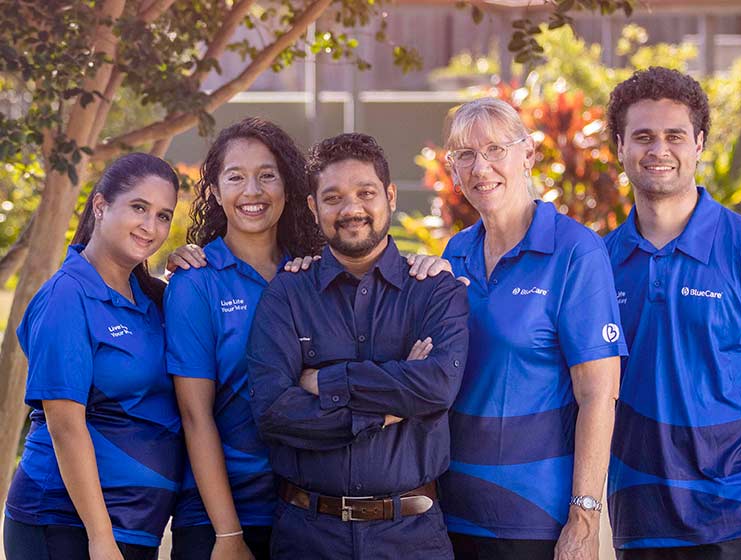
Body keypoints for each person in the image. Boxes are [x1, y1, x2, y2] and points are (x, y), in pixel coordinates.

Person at [604, 66, 741, 560]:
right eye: (643, 137)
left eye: (674, 136)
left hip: (739, 518)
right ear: (620, 147)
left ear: (699, 143)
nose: (659, 150)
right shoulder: (600, 263)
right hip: (640, 514)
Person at [246, 132, 469, 559]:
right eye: (333, 198)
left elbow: (437, 386)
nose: (351, 210)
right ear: (314, 208)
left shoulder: (435, 291)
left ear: (390, 196)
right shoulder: (287, 295)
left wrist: (326, 382)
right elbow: (273, 412)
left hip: (411, 540)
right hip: (308, 537)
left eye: (365, 193)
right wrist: (385, 412)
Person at [437, 97, 626, 560]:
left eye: (495, 149)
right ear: (454, 170)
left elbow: (599, 395)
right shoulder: (455, 253)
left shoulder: (575, 252)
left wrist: (584, 518)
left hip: (534, 517)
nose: (481, 167)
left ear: (528, 154)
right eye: (466, 155)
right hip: (450, 512)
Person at [3, 153, 183, 560]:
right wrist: (100, 537)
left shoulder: (149, 299)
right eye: (139, 207)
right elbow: (65, 426)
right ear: (100, 206)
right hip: (65, 526)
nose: (151, 226)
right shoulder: (66, 296)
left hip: (136, 527)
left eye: (163, 216)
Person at [164, 118, 323, 560]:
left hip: (306, 512)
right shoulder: (196, 283)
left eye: (267, 175)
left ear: (289, 186)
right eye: (235, 177)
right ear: (215, 191)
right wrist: (228, 534)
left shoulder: (312, 274)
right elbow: (195, 416)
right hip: (219, 519)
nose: (252, 191)